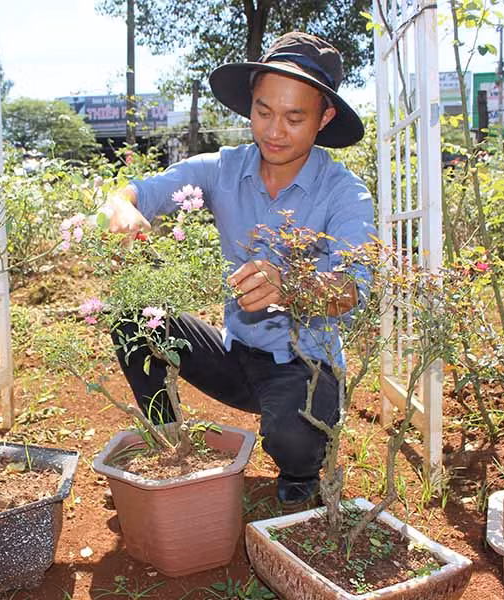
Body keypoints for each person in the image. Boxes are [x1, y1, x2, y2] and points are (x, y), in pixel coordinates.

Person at [106, 31, 376, 509]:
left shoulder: (344, 193)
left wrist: (291, 286)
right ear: (250, 104)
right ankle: (168, 444)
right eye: (263, 112)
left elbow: (354, 286)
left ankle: (301, 471)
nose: (274, 131)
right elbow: (139, 192)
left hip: (304, 366)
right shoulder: (222, 169)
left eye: (295, 117)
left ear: (324, 118)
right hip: (233, 356)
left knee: (293, 437)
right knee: (133, 316)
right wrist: (120, 206)